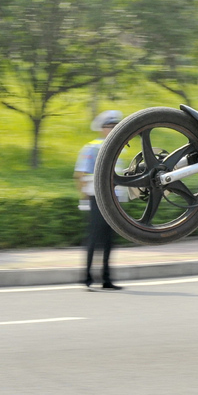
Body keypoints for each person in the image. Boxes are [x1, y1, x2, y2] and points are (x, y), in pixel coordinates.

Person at [75, 109, 124, 291]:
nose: (113, 129)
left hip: (113, 200)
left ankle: (106, 279)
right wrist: (85, 199)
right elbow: (80, 175)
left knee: (110, 241)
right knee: (94, 240)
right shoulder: (92, 147)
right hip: (96, 199)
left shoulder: (118, 148)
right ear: (102, 128)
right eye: (109, 126)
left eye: (115, 126)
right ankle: (87, 277)